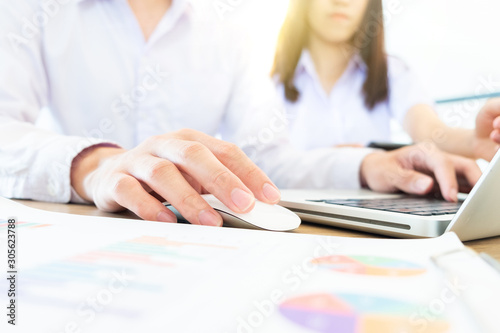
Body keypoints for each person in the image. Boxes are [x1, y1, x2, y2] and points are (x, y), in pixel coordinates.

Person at [0, 0, 484, 227]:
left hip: (204, 241)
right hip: (74, 229)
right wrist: (95, 163)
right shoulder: (35, 9)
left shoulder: (235, 25)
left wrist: (365, 164)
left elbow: (265, 159)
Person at [272, 0, 500, 161]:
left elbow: (430, 130)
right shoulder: (267, 82)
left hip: (371, 212)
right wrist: (335, 163)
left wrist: (475, 141)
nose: (340, 1)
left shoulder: (394, 71)